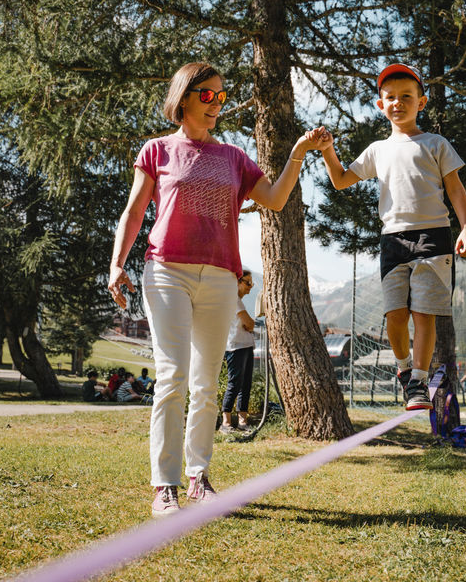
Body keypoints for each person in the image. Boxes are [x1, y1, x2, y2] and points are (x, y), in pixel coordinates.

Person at [108, 61, 328, 517]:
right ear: (184, 97)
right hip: (166, 270)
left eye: (221, 97)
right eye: (207, 95)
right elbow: (133, 213)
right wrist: (116, 263)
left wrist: (300, 152)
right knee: (172, 376)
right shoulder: (157, 150)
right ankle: (163, 485)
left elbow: (274, 198)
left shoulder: (233, 157)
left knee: (207, 382)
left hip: (221, 278)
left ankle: (198, 478)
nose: (216, 104)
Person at [319, 63, 466, 411]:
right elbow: (341, 179)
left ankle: (419, 381)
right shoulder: (377, 150)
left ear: (421, 102)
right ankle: (404, 371)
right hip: (393, 240)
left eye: (407, 96)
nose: (398, 103)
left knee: (424, 314)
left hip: (434, 238)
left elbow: (456, 188)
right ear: (380, 105)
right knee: (396, 315)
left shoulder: (436, 144)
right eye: (390, 97)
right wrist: (328, 150)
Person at [221, 269, 256, 433]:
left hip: (245, 346)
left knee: (245, 385)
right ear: (238, 282)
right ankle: (226, 422)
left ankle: (243, 421)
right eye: (247, 282)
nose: (250, 287)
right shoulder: (233, 300)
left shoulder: (237, 301)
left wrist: (249, 325)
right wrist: (249, 325)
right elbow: (249, 323)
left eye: (252, 283)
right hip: (235, 347)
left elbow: (249, 324)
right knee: (234, 384)